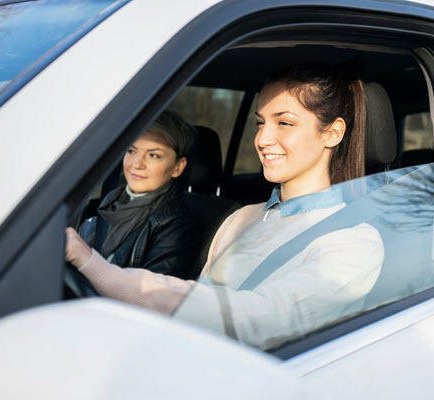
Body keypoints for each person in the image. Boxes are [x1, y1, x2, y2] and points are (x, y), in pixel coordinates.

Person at [65, 65, 383, 349]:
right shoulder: (242, 217)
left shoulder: (354, 242)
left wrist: (94, 266)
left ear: (333, 132)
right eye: (260, 123)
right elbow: (200, 312)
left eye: (284, 123)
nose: (262, 139)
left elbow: (252, 320)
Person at [77, 110, 201, 279]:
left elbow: (146, 295)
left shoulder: (175, 227)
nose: (137, 163)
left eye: (153, 155)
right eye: (131, 151)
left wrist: (84, 259)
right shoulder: (108, 205)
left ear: (177, 167)